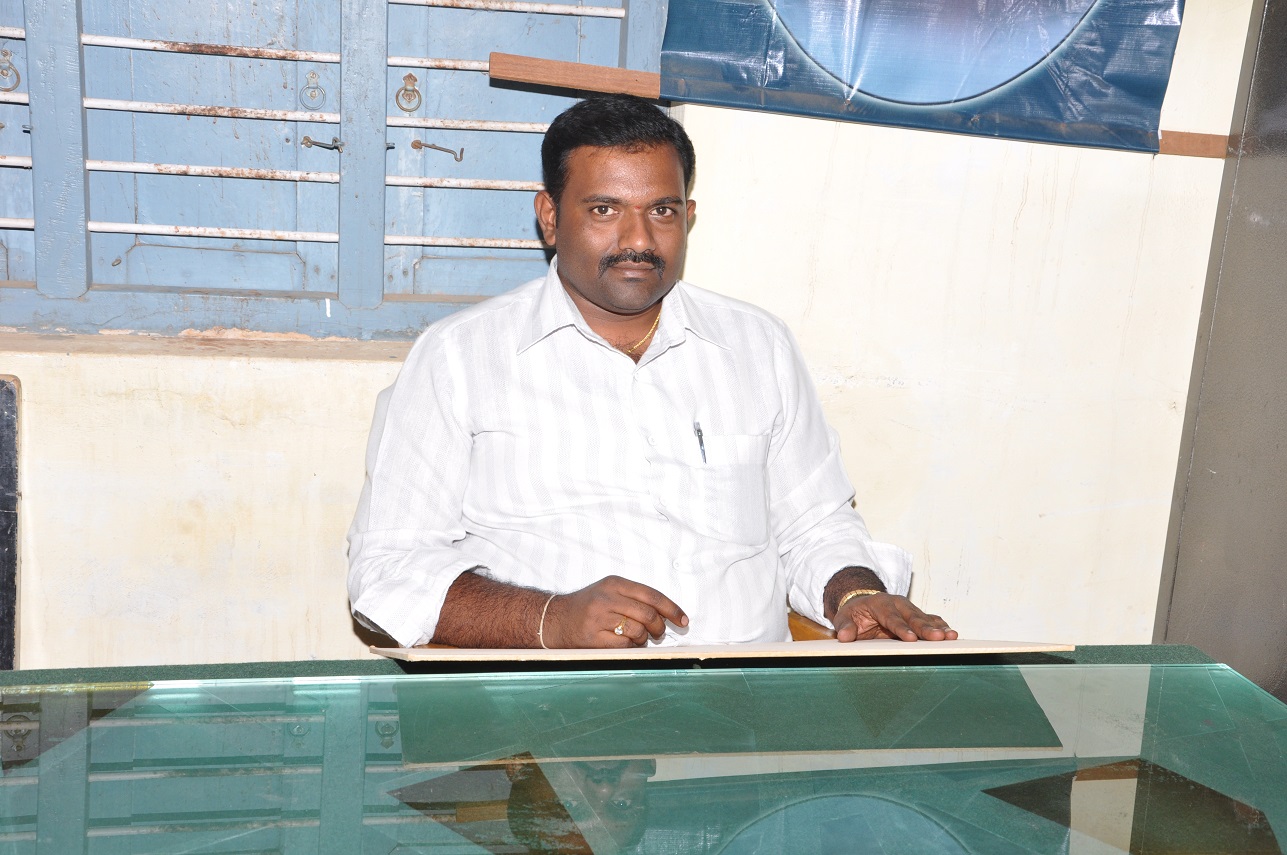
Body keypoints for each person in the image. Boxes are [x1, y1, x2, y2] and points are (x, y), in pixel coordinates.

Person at [347, 94, 954, 649]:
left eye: (661, 210)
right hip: (549, 713)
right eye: (604, 209)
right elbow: (387, 573)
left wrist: (854, 594)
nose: (638, 239)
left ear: (688, 216)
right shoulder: (458, 358)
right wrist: (551, 619)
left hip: (743, 707)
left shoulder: (757, 347)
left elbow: (816, 524)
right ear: (550, 217)